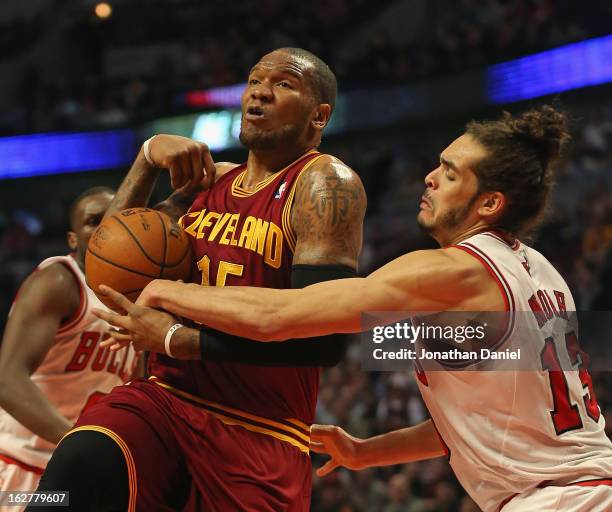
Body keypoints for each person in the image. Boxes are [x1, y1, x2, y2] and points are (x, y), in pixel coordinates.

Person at [100, 106, 612, 512]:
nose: (430, 178)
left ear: (489, 204)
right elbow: (492, 419)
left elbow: (284, 316)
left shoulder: (455, 273)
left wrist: (166, 294)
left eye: (450, 174)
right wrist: (366, 452)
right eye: (438, 164)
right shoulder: (540, 272)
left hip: (563, 499)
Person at [34, 48, 366, 511]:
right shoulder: (209, 185)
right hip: (166, 400)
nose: (260, 93)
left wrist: (176, 339)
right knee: (80, 464)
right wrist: (145, 161)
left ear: (319, 115)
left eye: (284, 84)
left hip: (260, 428)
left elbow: (323, 340)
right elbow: (101, 269)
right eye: (254, 80)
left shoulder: (324, 183)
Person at [0, 187, 141, 504]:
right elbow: (7, 380)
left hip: (75, 471)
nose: (106, 228)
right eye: (94, 221)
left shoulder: (142, 301)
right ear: (73, 239)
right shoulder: (61, 281)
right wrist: (77, 443)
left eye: (115, 218)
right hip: (19, 465)